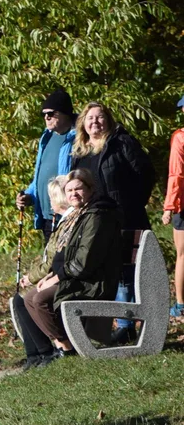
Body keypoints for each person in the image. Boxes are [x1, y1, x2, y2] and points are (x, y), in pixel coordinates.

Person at [71, 102, 154, 342]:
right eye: (90, 118)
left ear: (108, 120)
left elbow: (145, 173)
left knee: (128, 272)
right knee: (109, 272)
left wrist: (134, 203)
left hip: (125, 217)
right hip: (95, 223)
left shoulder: (122, 143)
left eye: (100, 117)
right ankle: (119, 325)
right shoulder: (81, 152)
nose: (95, 122)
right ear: (83, 124)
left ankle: (129, 324)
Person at [22, 168, 122, 357]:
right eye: (69, 191)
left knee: (39, 299)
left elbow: (84, 262)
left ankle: (67, 347)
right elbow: (67, 255)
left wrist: (56, 279)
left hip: (94, 281)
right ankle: (62, 344)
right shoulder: (80, 214)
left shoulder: (97, 215)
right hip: (79, 276)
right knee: (28, 298)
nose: (74, 194)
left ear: (90, 189)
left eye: (78, 189)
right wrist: (52, 276)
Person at [14, 177, 71, 369]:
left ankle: (48, 350)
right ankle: (35, 354)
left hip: (68, 279)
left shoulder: (68, 223)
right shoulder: (61, 223)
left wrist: (31, 277)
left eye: (51, 198)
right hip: (57, 275)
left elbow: (55, 261)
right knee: (20, 299)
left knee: (29, 298)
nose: (49, 203)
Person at [16, 89, 76, 242]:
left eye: (51, 113)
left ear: (65, 113)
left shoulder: (78, 138)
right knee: (50, 263)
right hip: (46, 215)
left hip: (67, 214)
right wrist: (29, 195)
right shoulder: (46, 137)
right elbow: (41, 174)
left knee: (65, 262)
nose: (46, 117)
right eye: (44, 114)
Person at [162, 95, 184, 317]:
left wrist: (169, 206)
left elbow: (176, 173)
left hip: (183, 205)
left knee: (182, 255)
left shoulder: (180, 138)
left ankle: (180, 303)